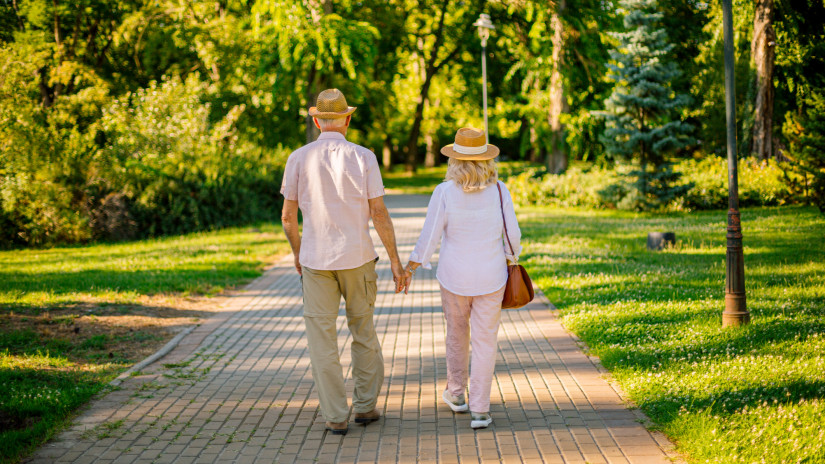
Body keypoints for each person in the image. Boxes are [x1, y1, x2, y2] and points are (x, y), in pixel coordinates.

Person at [280, 88, 408, 436]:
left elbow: (288, 217)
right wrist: (395, 260)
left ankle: (335, 415)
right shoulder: (364, 157)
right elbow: (378, 212)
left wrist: (297, 252)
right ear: (348, 120)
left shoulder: (298, 158)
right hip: (358, 257)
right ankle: (365, 408)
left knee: (322, 340)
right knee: (363, 333)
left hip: (315, 260)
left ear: (317, 120)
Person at [405, 127, 522, 429]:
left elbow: (430, 235)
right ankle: (481, 410)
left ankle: (456, 395)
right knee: (485, 342)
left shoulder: (444, 192)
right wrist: (511, 258)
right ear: (487, 161)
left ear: (454, 160)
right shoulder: (500, 190)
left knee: (456, 336)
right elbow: (513, 236)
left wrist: (413, 264)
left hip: (454, 277)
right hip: (491, 277)